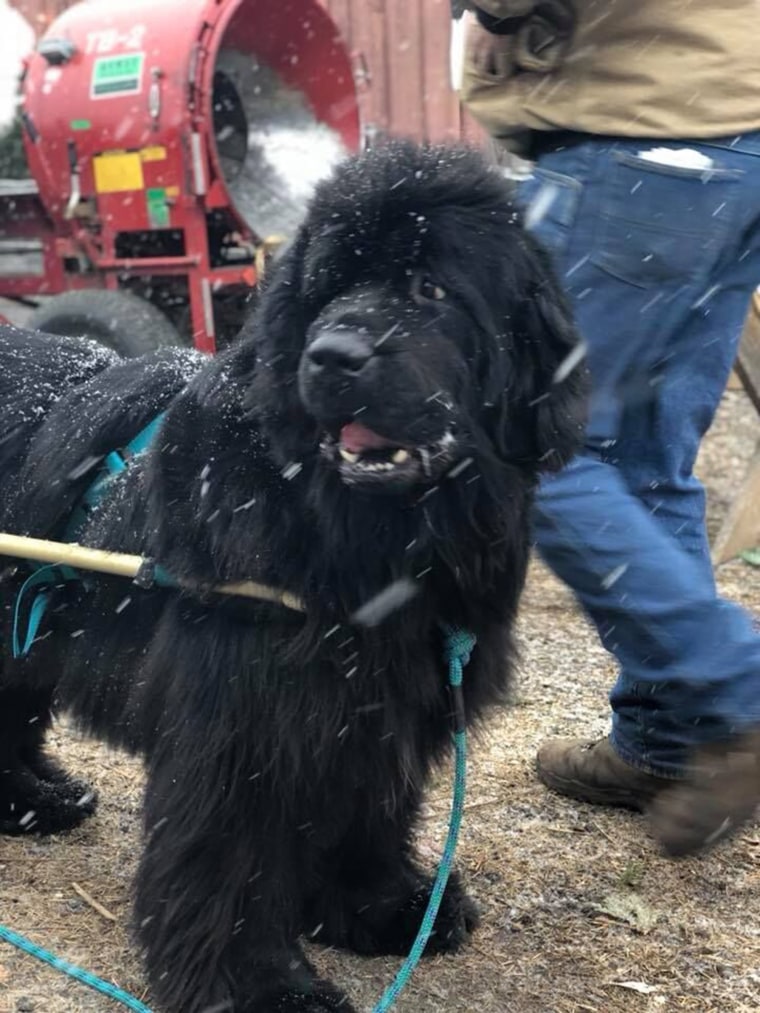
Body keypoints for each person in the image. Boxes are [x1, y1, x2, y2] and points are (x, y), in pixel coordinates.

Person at [457, 1, 760, 856]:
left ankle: (741, 690)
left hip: (646, 133)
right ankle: (669, 743)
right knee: (641, 453)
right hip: (731, 135)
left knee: (528, 439)